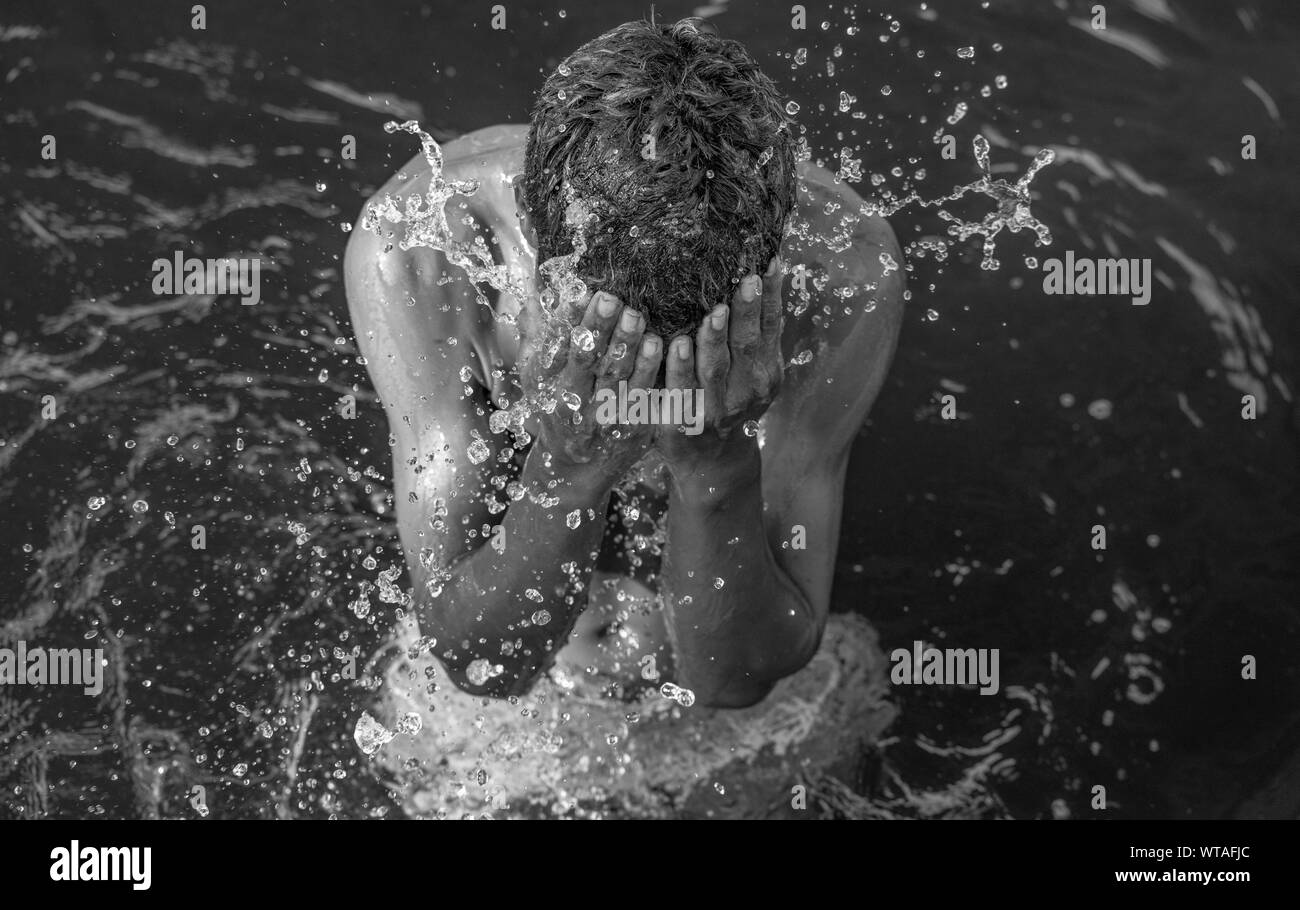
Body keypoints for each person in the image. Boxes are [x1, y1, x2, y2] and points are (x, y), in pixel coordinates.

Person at [344, 18, 903, 816]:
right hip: (511, 707)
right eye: (615, 338)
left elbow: (734, 681)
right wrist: (566, 472)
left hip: (731, 707)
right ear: (544, 254)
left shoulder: (843, 269)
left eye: (696, 342)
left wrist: (715, 461)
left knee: (839, 704)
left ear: (771, 256)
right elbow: (480, 666)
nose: (653, 379)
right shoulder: (422, 244)